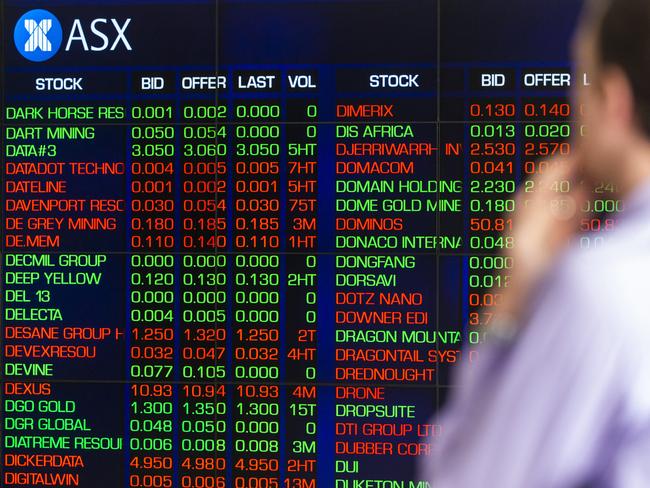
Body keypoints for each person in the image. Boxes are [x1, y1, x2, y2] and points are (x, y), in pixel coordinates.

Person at [421, 0, 650, 486]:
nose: (572, 110)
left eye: (579, 83)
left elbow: (467, 479)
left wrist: (511, 300)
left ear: (615, 100)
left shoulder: (601, 286)